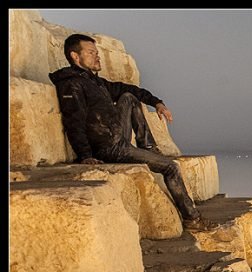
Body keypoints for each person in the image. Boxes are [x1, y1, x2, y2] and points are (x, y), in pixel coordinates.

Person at [49, 34, 211, 231]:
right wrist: (85, 156)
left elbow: (128, 89)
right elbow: (73, 120)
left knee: (128, 96)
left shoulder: (96, 82)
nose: (97, 56)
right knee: (170, 167)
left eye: (97, 52)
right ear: (75, 56)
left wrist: (156, 102)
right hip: (108, 148)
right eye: (91, 53)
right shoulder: (72, 84)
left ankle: (149, 147)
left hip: (116, 137)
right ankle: (192, 219)